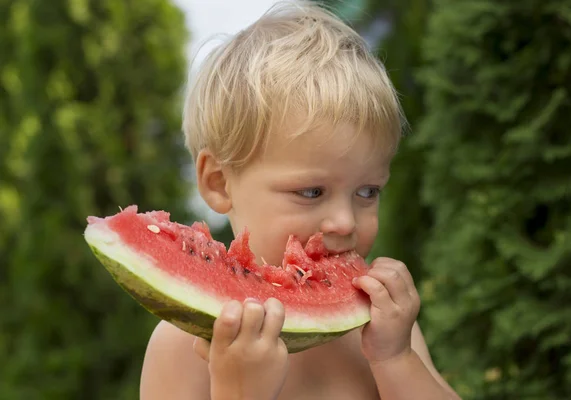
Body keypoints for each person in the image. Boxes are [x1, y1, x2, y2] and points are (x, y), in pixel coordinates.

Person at [140, 1, 460, 399]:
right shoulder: (180, 345)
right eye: (311, 192)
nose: (345, 221)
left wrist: (396, 359)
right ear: (219, 182)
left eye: (367, 191)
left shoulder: (385, 325)